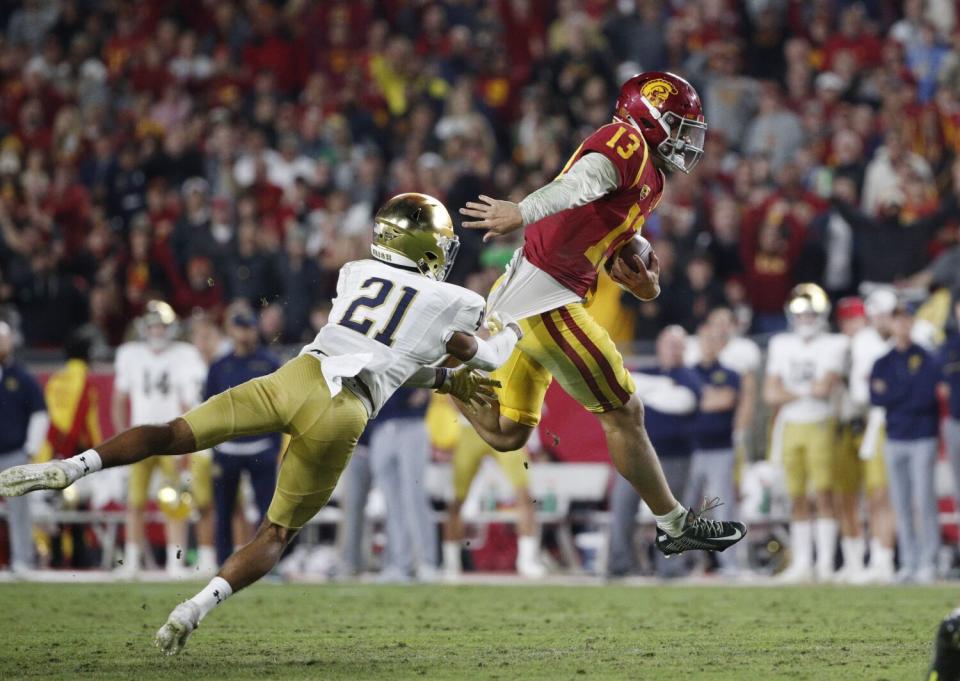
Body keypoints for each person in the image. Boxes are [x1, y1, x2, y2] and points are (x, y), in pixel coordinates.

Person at [0, 193, 513, 655]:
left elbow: (379, 349)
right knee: (275, 531)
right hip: (342, 412)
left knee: (174, 433)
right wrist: (510, 334)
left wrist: (444, 380)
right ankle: (194, 608)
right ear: (426, 247)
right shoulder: (457, 301)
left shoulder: (355, 272)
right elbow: (476, 357)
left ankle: (73, 467)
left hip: (297, 376)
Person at [457, 71, 745, 556]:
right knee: (625, 412)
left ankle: (439, 370)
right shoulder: (625, 141)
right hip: (544, 297)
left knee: (507, 435)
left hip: (527, 293)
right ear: (649, 116)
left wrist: (647, 286)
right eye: (676, 125)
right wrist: (522, 211)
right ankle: (675, 525)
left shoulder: (649, 176)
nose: (683, 139)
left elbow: (604, 237)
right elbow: (579, 185)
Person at [111, 301, 210, 577]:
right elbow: (119, 399)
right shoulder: (131, 354)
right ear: (145, 327)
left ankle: (174, 561)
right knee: (135, 501)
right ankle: (131, 561)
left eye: (162, 325)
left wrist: (185, 438)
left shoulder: (183, 355)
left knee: (175, 501)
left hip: (169, 437)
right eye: (153, 325)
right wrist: (122, 434)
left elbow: (187, 400)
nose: (157, 331)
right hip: (139, 436)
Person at [764, 284, 847, 583]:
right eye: (802, 313)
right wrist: (805, 391)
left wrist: (791, 392)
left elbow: (825, 389)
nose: (806, 319)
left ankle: (824, 563)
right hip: (790, 426)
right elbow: (770, 393)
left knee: (824, 493)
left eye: (812, 312)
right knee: (796, 496)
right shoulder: (781, 344)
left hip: (821, 423)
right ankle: (803, 562)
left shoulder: (834, 343)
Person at [608, 326, 702, 578]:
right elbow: (625, 392)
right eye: (667, 343)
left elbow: (684, 402)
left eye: (676, 344)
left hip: (674, 455)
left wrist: (648, 392)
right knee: (622, 507)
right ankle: (619, 566)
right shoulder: (648, 373)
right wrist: (662, 387)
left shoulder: (690, 376)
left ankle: (671, 569)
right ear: (659, 346)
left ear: (684, 348)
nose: (672, 349)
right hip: (635, 453)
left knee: (671, 513)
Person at [427, 395, 545, 580]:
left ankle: (527, 561)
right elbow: (448, 393)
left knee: (524, 494)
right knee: (456, 500)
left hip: (502, 426)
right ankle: (451, 563)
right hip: (469, 429)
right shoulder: (459, 365)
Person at [870, 300, 942, 584]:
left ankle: (929, 561)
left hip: (922, 436)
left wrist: (894, 392)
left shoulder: (926, 357)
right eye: (896, 320)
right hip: (895, 436)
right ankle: (909, 562)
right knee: (900, 503)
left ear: (911, 322)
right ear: (890, 323)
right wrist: (903, 391)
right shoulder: (883, 360)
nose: (901, 325)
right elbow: (876, 397)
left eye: (905, 319)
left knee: (924, 501)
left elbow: (924, 397)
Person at [204, 306, 282, 566]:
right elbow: (209, 409)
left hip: (260, 447)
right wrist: (214, 446)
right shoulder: (219, 367)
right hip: (227, 449)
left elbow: (281, 407)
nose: (245, 334)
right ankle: (222, 565)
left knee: (268, 512)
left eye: (249, 327)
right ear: (231, 330)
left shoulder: (270, 363)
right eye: (240, 328)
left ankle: (267, 563)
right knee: (223, 512)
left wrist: (274, 448)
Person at [36, 329, 102, 568]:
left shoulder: (55, 380)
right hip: (77, 452)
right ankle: (79, 557)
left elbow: (51, 420)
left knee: (54, 506)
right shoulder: (87, 380)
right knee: (78, 508)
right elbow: (88, 422)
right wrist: (99, 452)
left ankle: (54, 556)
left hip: (52, 451)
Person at [683, 321, 742, 575]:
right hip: (691, 449)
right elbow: (692, 401)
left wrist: (700, 398)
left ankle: (730, 565)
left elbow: (725, 400)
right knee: (686, 509)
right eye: (705, 339)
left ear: (722, 344)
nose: (709, 345)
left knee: (722, 507)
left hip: (720, 448)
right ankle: (687, 563)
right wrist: (706, 398)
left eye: (715, 340)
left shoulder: (730, 373)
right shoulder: (688, 372)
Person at [368, 387, 438, 582]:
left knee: (414, 497)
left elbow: (433, 364)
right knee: (391, 502)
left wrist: (424, 388)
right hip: (381, 428)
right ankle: (399, 564)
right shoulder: (374, 356)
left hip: (411, 424)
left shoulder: (408, 356)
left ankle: (427, 563)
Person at [0, 320, 48, 573]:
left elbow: (40, 414)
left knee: (20, 510)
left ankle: (22, 559)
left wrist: (30, 449)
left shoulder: (22, 378)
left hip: (13, 452)